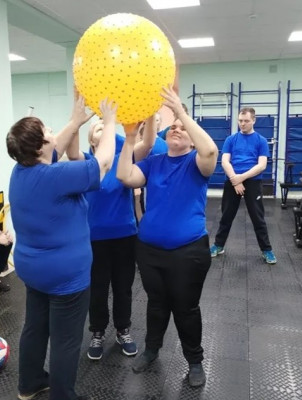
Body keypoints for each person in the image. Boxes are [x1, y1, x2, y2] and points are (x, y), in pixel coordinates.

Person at [6, 95, 117, 400]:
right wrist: (109, 122)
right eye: (48, 131)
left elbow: (52, 149)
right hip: (65, 277)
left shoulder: (21, 170)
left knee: (35, 327)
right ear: (40, 146)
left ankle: (29, 384)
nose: (53, 133)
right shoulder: (56, 176)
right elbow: (103, 163)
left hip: (32, 270)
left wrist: (76, 120)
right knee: (66, 341)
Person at [116, 86, 218, 387]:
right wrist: (130, 138)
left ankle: (195, 361)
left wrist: (181, 114)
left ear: (191, 135)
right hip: (149, 250)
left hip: (188, 252)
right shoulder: (154, 162)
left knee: (186, 308)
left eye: (182, 128)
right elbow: (124, 176)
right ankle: (151, 350)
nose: (176, 129)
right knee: (156, 303)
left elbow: (210, 151)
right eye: (172, 127)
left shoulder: (197, 162)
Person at [66, 115, 156, 361]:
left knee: (123, 288)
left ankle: (123, 330)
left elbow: (148, 143)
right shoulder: (86, 163)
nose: (105, 129)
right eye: (98, 128)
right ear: (91, 140)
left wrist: (149, 113)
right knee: (97, 289)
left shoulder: (123, 158)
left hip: (124, 236)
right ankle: (97, 332)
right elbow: (71, 152)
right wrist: (76, 119)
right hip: (94, 239)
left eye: (106, 127)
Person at [210, 107, 277, 264]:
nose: (242, 124)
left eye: (246, 121)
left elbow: (262, 165)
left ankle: (266, 250)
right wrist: (235, 179)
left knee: (257, 217)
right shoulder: (231, 139)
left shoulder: (261, 140)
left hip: (252, 181)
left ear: (254, 120)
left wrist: (241, 178)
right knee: (226, 215)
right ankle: (218, 245)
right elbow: (225, 161)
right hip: (233, 179)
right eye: (240, 120)